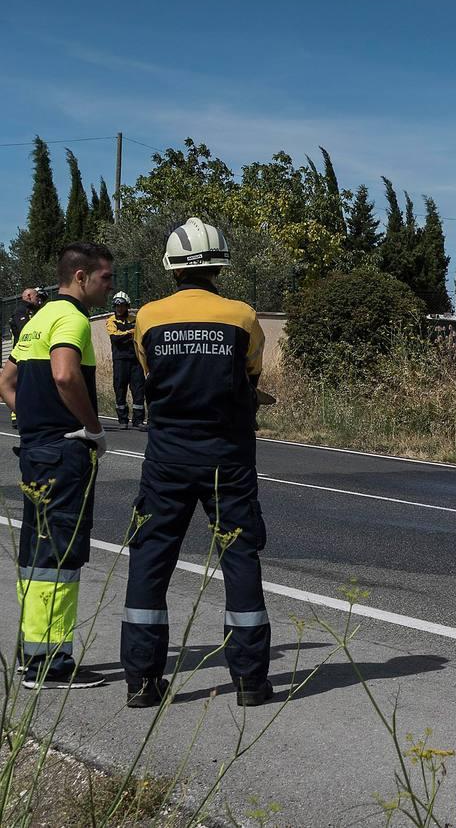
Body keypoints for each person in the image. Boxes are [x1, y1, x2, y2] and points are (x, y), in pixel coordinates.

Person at [121, 218, 273, 708]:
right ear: (219, 264)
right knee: (239, 557)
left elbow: (151, 374)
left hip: (167, 455)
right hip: (227, 455)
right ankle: (250, 683)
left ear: (171, 266)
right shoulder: (242, 316)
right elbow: (250, 373)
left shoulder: (147, 316)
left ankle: (143, 682)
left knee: (150, 558)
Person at [0, 244, 113, 689]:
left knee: (37, 554)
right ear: (81, 277)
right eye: (106, 277)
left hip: (35, 448)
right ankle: (52, 665)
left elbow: (6, 382)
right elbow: (66, 374)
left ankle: (35, 654)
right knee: (60, 553)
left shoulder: (37, 320)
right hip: (64, 450)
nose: (111, 286)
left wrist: (30, 418)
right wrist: (92, 428)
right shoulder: (71, 319)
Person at [106, 291, 147, 430]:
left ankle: (138, 420)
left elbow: (141, 335)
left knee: (138, 389)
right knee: (120, 388)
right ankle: (123, 419)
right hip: (120, 360)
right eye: (117, 306)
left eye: (122, 306)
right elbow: (115, 338)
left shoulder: (135, 319)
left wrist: (126, 335)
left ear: (127, 306)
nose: (120, 308)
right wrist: (130, 333)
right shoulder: (111, 320)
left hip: (136, 360)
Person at [7, 288, 46, 428]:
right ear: (29, 296)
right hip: (21, 354)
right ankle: (16, 414)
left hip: (30, 354)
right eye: (37, 297)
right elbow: (25, 331)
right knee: (20, 385)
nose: (39, 300)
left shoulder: (33, 311)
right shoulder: (20, 311)